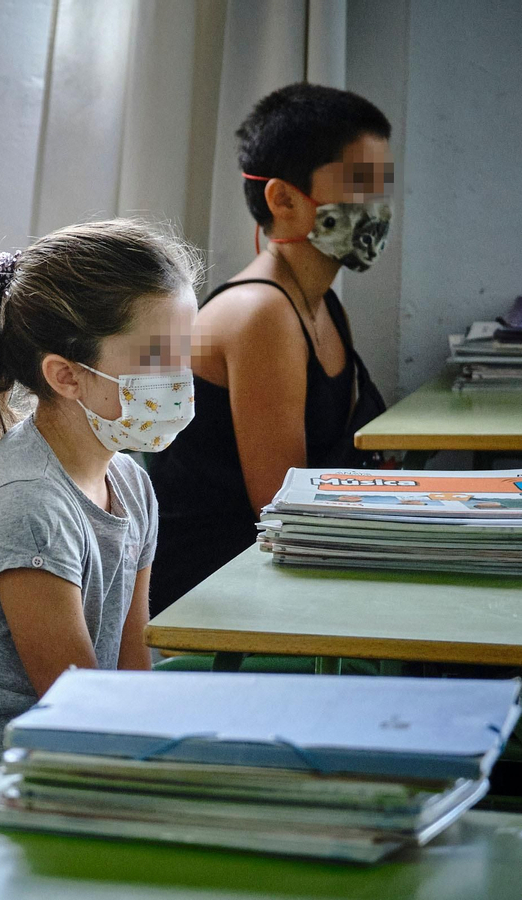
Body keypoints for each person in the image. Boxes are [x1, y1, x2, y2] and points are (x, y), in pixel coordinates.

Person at [0, 219, 199, 808]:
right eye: (158, 358)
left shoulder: (129, 483)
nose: (181, 380)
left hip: (74, 772)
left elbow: (130, 674)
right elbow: (80, 706)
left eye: (187, 352)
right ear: (66, 376)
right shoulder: (24, 505)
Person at [147, 82, 392, 614]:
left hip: (277, 575)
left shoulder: (323, 305)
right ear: (282, 198)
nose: (377, 206)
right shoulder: (262, 315)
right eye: (360, 183)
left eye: (382, 185)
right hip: (218, 592)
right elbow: (287, 515)